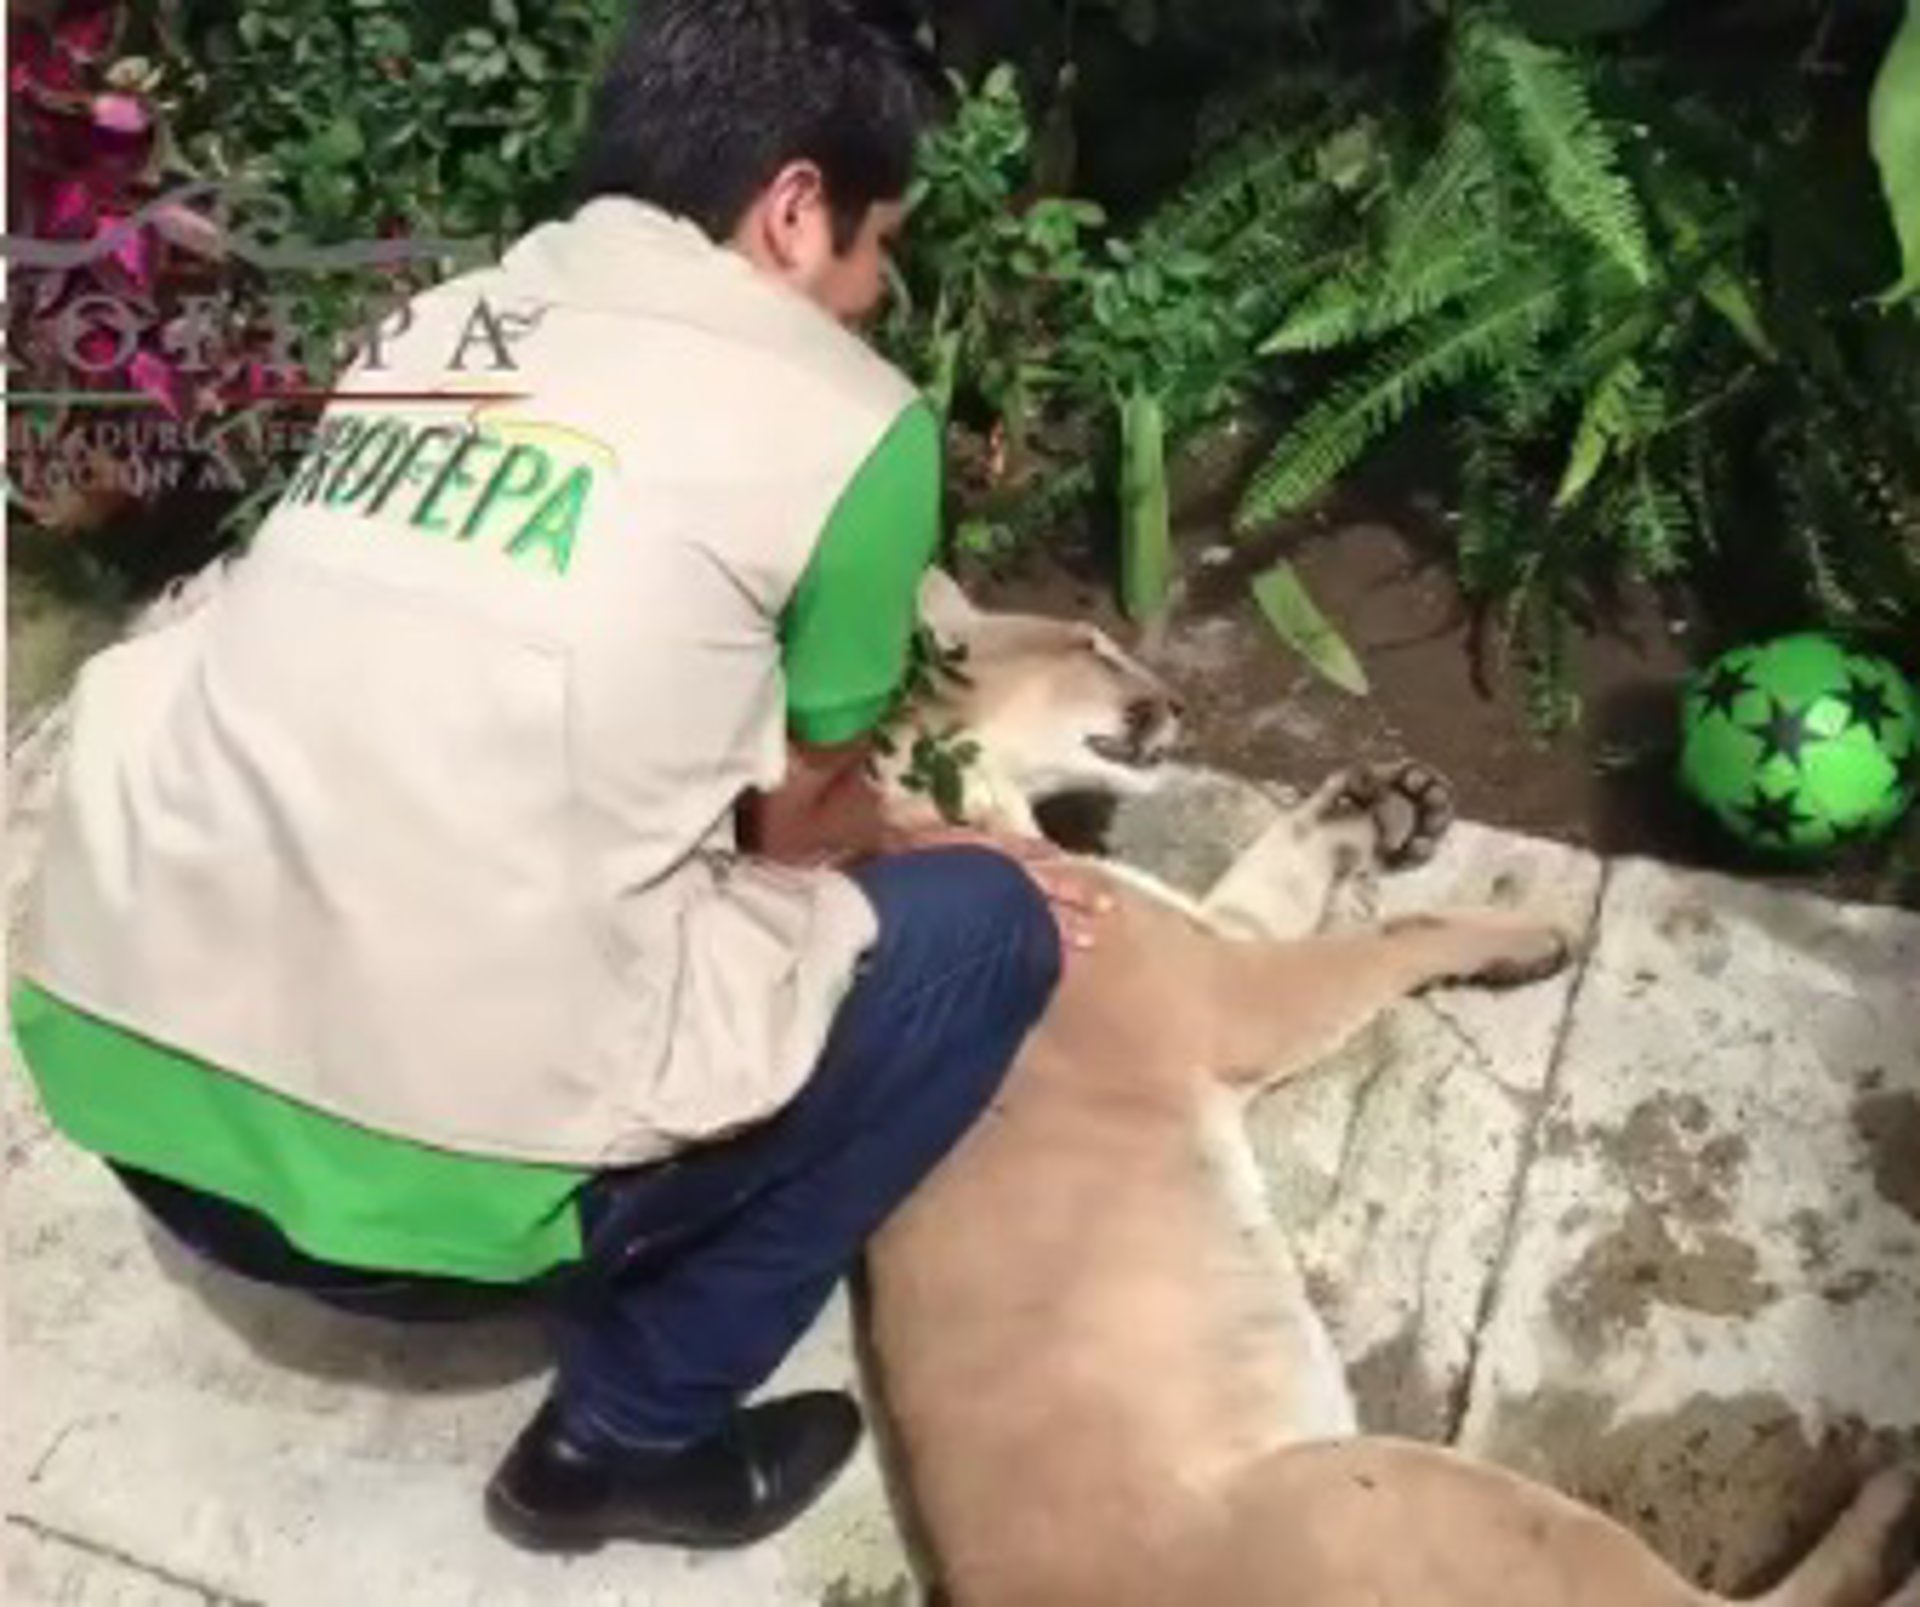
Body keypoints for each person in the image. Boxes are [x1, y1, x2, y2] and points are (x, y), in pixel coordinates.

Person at [11, 0, 1102, 1555]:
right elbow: (801, 830)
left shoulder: (436, 322)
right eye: (880, 249)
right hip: (426, 1231)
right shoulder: (851, 423)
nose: (873, 298)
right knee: (984, 938)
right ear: (796, 209)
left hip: (126, 1099)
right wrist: (945, 848)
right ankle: (624, 1440)